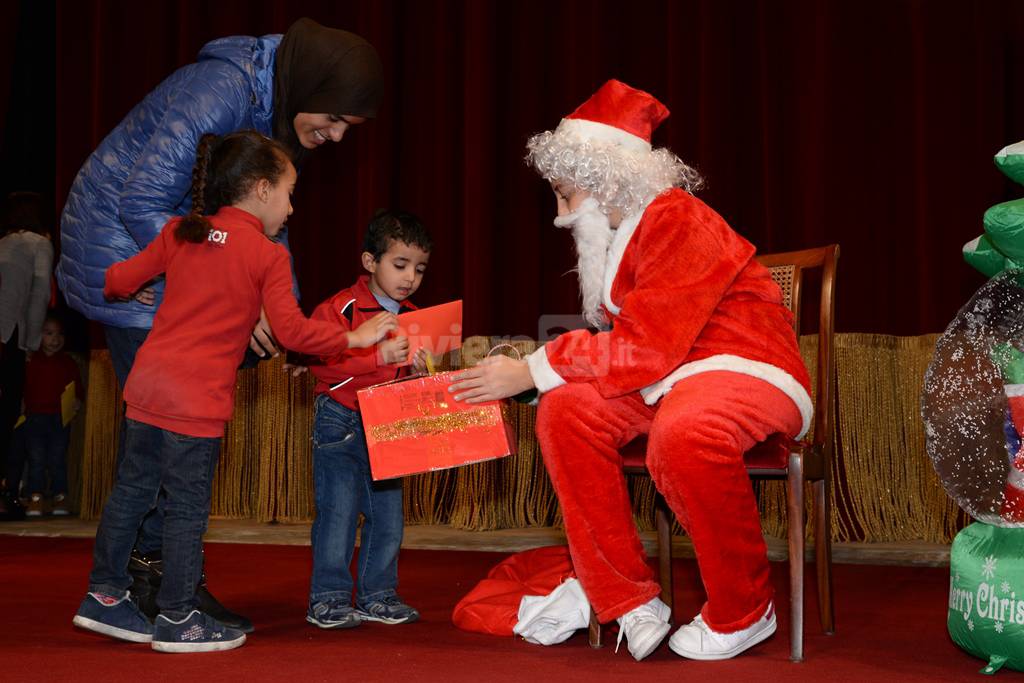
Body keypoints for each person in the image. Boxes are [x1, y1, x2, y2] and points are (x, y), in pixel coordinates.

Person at [449, 80, 813, 662]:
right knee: (566, 409)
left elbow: (644, 350)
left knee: (686, 435)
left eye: (567, 196)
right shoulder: (629, 231)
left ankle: (746, 609)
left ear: (607, 180)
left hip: (746, 368)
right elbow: (639, 353)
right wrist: (536, 373)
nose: (560, 217)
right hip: (672, 378)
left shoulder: (677, 219)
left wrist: (537, 365)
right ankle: (626, 598)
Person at [57, 17, 384, 630]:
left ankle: (141, 582)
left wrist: (263, 295)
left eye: (348, 128)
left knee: (156, 447)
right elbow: (142, 201)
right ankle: (149, 588)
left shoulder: (279, 105)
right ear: (310, 87)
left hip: (170, 260)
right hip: (125, 242)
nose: (336, 136)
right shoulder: (222, 88)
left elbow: (265, 229)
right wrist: (239, 286)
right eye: (334, 119)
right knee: (165, 448)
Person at [305, 209, 431, 629]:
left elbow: (407, 375)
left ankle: (378, 594)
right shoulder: (342, 306)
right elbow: (318, 363)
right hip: (339, 420)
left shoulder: (415, 315)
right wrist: (376, 357)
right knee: (337, 512)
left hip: (389, 424)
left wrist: (420, 370)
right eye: (399, 264)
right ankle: (329, 597)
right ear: (369, 261)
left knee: (388, 515)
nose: (410, 276)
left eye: (419, 268)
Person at [0, 191, 53, 517]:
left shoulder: (3, 243)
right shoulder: (38, 244)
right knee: (7, 417)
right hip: (11, 336)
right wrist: (32, 343)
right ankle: (5, 494)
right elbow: (39, 294)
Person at [22, 313, 83, 517]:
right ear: (37, 335)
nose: (55, 339)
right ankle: (35, 498)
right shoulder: (30, 360)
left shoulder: (68, 363)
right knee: (36, 458)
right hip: (34, 418)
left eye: (59, 334)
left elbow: (78, 389)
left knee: (57, 459)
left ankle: (60, 497)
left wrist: (77, 401)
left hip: (59, 419)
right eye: (48, 333)